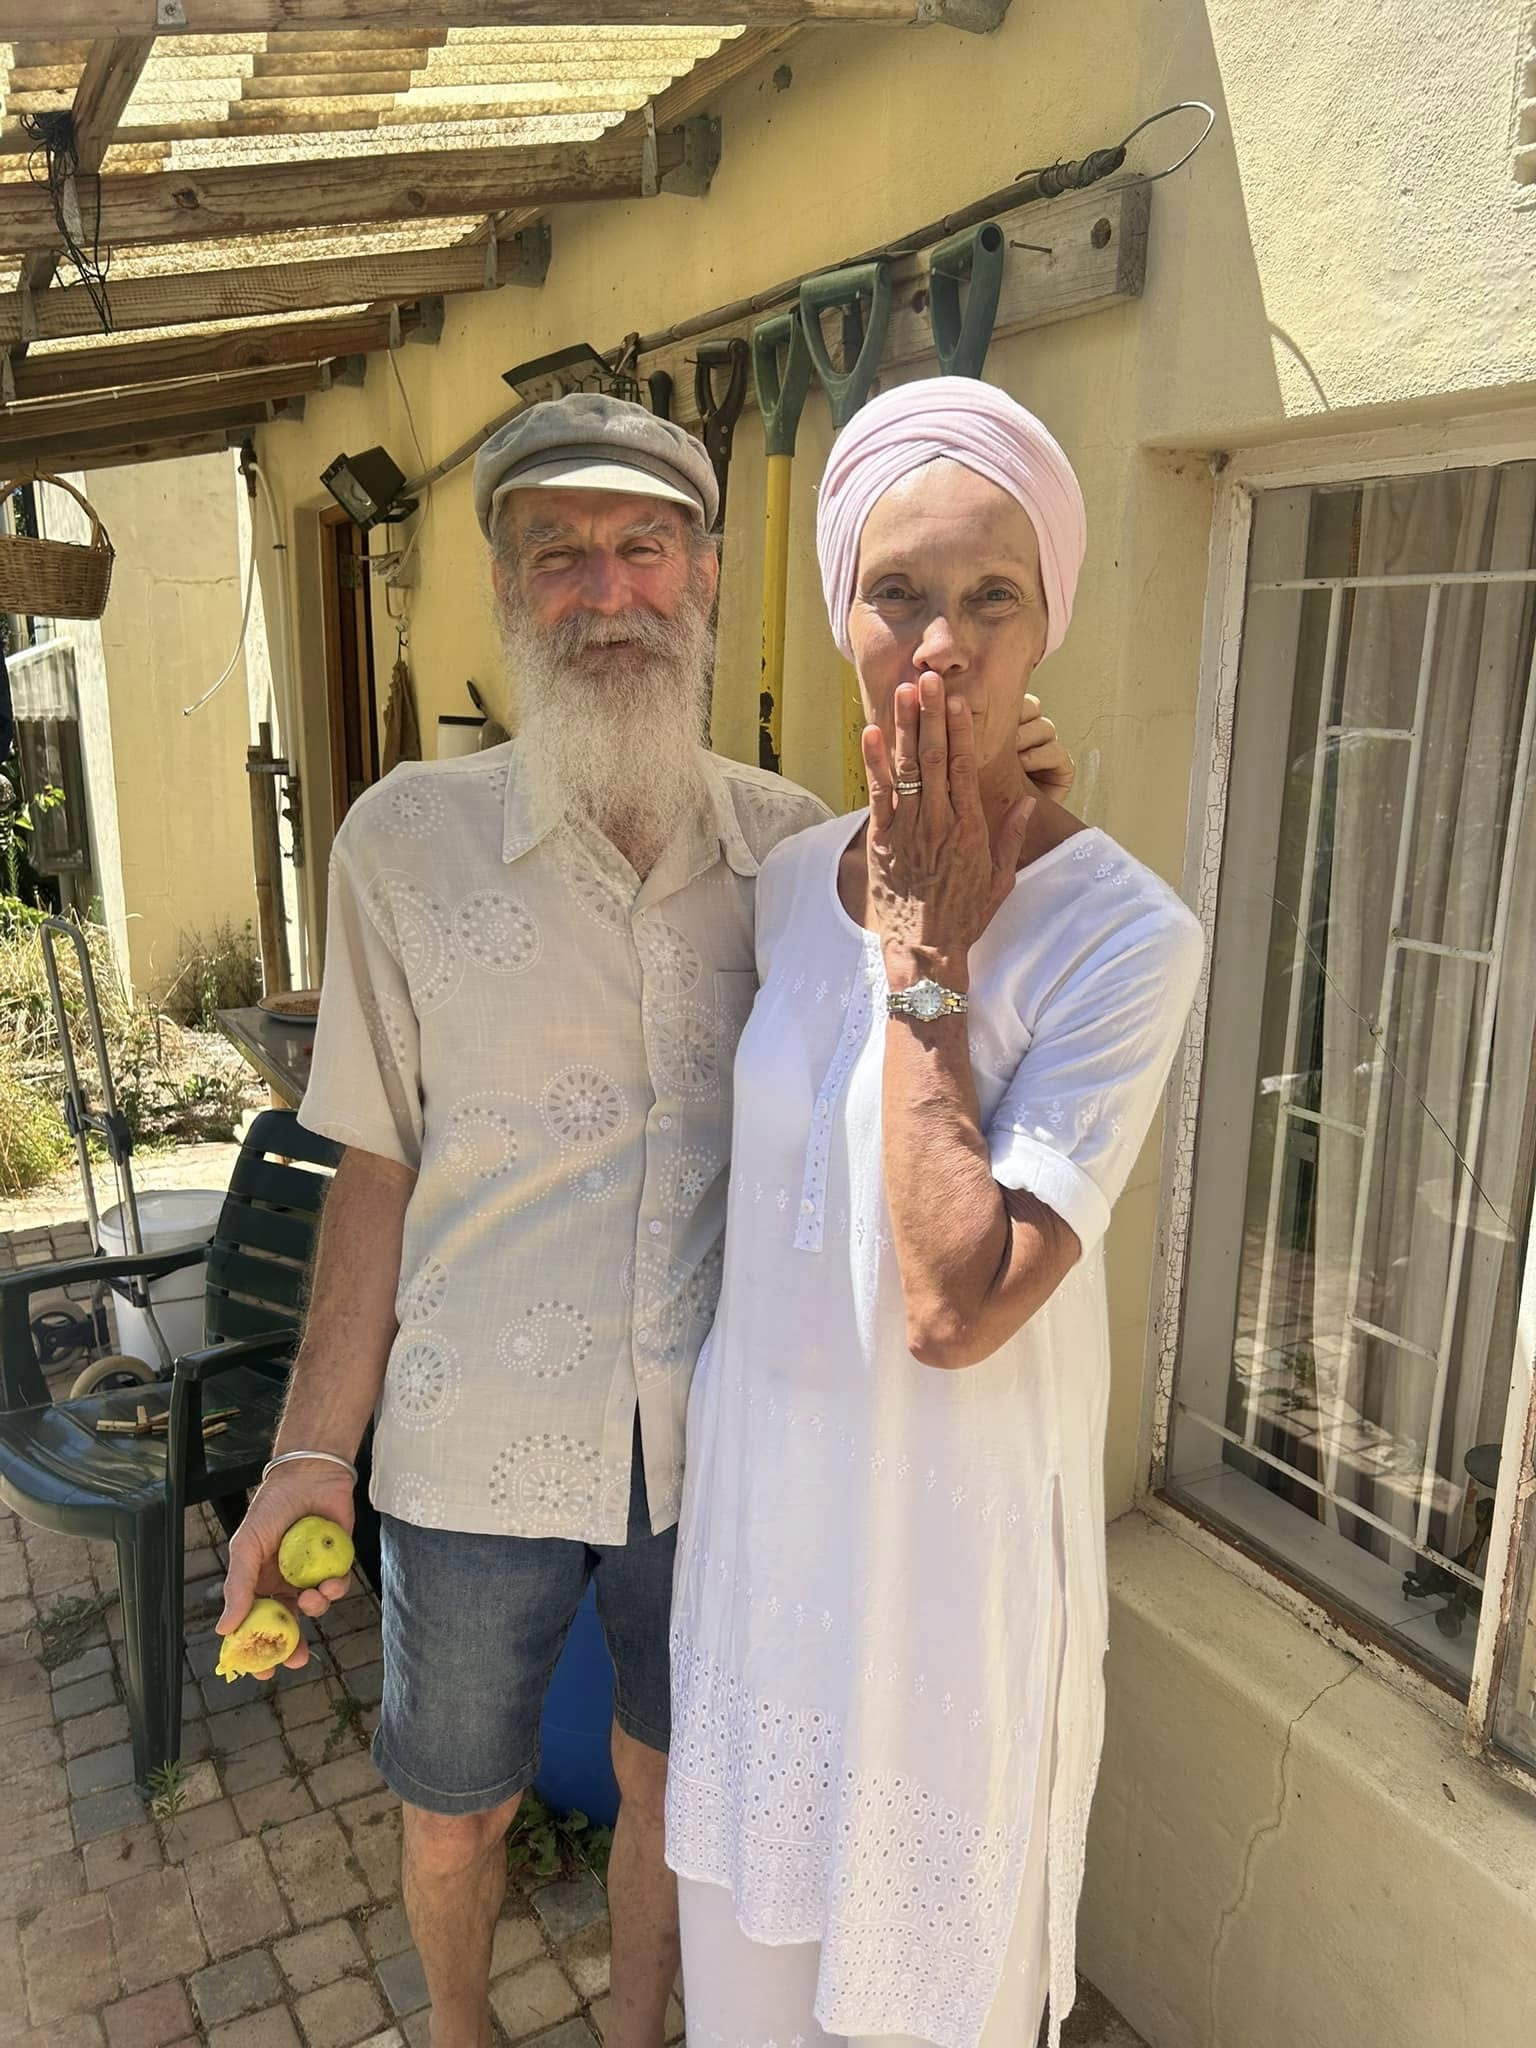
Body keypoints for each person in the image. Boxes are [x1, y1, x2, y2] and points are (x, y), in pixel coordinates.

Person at [213, 392, 1075, 2048]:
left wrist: (1017, 786)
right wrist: (311, 1451)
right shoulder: (403, 845)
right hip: (467, 1451)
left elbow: (943, 990)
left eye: (644, 548)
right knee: (454, 1812)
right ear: (501, 583)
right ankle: (460, 2032)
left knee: (675, 1796)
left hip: (719, 1451)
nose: (605, 592)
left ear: (706, 574)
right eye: (558, 554)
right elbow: (371, 1170)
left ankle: (636, 2033)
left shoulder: (795, 853)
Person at [664, 378, 1204, 2048]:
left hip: (937, 1601)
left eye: (993, 598)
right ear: (842, 611)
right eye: (898, 591)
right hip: (765, 1561)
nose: (941, 646)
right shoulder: (783, 879)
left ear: (1048, 627)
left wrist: (926, 959)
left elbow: (957, 1305)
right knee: (747, 2001)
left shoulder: (1125, 938)